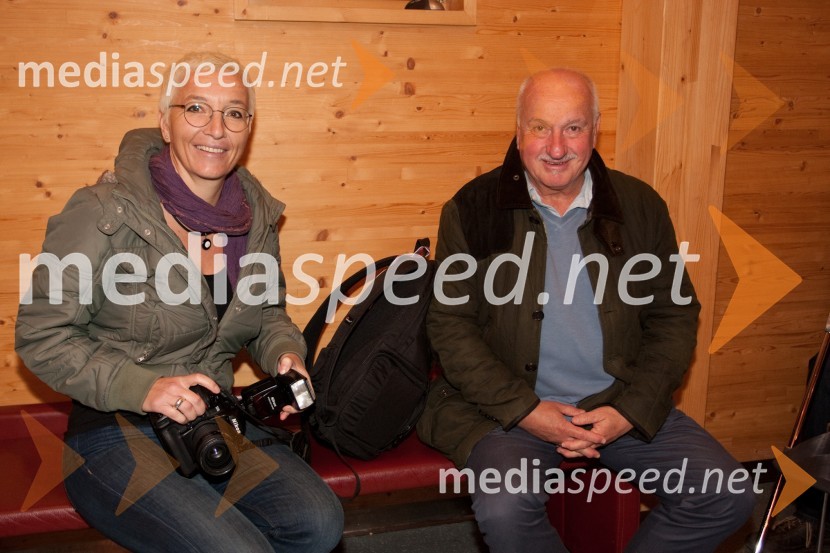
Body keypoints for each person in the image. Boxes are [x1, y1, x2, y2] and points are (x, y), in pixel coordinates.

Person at [416, 68, 756, 553]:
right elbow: (449, 327)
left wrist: (628, 411)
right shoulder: (472, 209)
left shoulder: (639, 207)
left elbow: (674, 317)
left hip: (617, 401)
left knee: (727, 494)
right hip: (504, 410)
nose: (556, 147)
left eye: (573, 128)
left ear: (596, 131)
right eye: (540, 128)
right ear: (518, 132)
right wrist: (527, 411)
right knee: (506, 508)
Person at [15, 52, 344, 553]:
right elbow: (41, 335)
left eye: (234, 112)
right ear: (165, 121)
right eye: (196, 108)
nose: (216, 128)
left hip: (211, 421)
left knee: (319, 523)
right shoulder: (101, 210)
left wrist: (284, 352)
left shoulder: (255, 216)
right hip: (112, 432)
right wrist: (144, 388)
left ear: (248, 128)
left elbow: (267, 313)